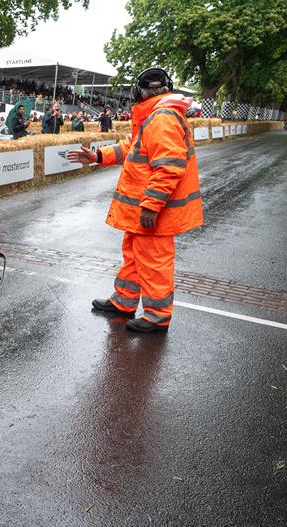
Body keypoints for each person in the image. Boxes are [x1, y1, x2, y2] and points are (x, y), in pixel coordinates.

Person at [66, 67, 202, 332]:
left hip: (153, 210)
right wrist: (98, 156)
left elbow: (169, 167)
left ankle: (157, 316)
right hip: (143, 210)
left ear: (140, 91)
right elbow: (132, 147)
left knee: (154, 262)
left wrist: (151, 205)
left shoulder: (162, 117)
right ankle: (124, 301)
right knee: (134, 256)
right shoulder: (157, 116)